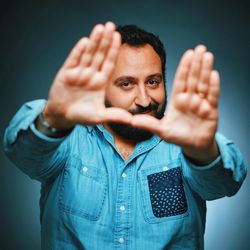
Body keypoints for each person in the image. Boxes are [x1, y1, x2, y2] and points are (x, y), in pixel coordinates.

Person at [3, 21, 247, 250]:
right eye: (126, 84)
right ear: (101, 87)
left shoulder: (187, 145)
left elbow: (224, 183)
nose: (144, 100)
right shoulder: (68, 139)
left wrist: (203, 151)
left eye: (153, 82)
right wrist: (53, 119)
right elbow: (23, 153)